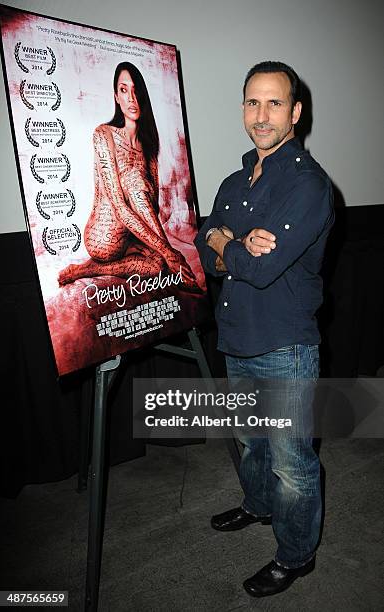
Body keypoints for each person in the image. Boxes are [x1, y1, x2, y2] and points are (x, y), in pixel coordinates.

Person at [195, 61, 334, 597]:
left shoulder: (309, 184)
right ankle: (257, 507)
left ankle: (297, 555)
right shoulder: (234, 180)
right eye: (253, 102)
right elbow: (208, 244)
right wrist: (228, 240)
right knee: (252, 445)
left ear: (296, 113)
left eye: (274, 103)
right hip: (237, 335)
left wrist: (223, 242)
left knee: (292, 462)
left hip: (285, 345)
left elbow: (257, 267)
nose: (262, 114)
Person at [58, 61, 197, 289]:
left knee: (156, 267)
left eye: (135, 91)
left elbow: (153, 206)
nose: (131, 98)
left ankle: (164, 258)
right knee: (133, 179)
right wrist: (169, 251)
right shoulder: (104, 135)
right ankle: (86, 269)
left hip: (132, 235)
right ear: (116, 97)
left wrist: (162, 252)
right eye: (124, 90)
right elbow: (120, 208)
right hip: (104, 237)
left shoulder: (148, 144)